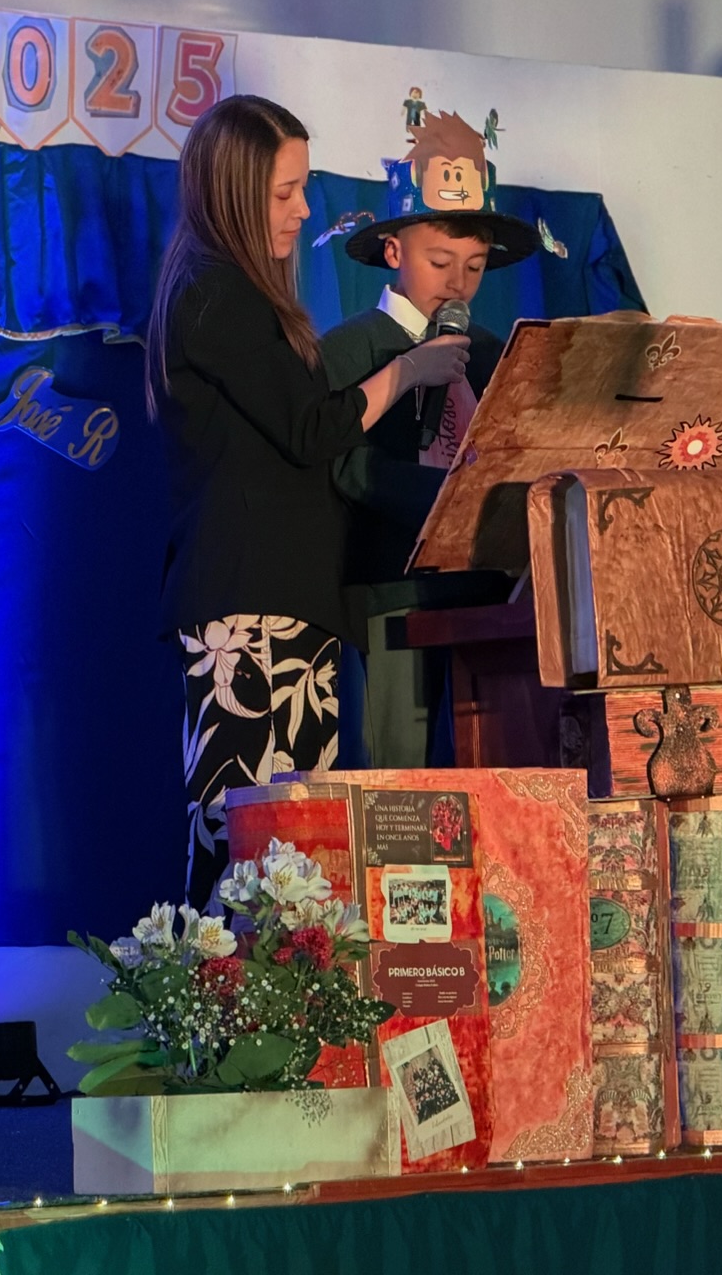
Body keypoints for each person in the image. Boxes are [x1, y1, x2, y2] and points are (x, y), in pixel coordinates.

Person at [145, 95, 470, 907]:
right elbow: (311, 428)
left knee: (290, 853)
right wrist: (406, 371)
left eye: (302, 189)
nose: (300, 210)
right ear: (233, 193)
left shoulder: (239, 295)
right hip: (248, 609)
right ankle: (218, 990)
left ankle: (280, 990)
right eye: (283, 192)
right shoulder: (217, 292)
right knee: (244, 844)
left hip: (287, 606)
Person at [323, 108, 540, 767]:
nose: (457, 282)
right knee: (403, 773)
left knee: (492, 757)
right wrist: (444, 497)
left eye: (474, 266)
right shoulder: (352, 347)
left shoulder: (492, 352)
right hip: (393, 592)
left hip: (484, 595)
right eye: (440, 261)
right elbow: (342, 463)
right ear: (394, 252)